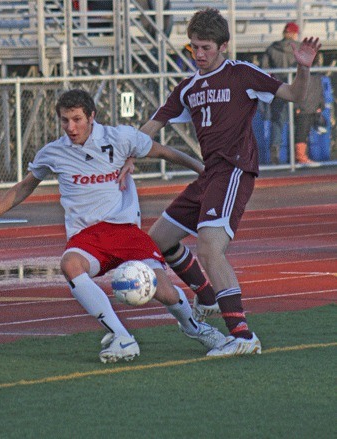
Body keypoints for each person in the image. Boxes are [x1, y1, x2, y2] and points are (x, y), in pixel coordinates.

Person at [0, 89, 226, 363]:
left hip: (125, 231)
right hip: (87, 237)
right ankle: (122, 336)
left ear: (92, 117)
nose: (71, 127)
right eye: (65, 120)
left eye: (77, 119)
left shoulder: (119, 138)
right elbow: (24, 186)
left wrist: (203, 171)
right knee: (70, 264)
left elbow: (165, 152)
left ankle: (195, 329)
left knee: (165, 292)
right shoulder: (54, 152)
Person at [132, 8, 320, 356]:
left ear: (223, 46)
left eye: (205, 47)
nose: (199, 54)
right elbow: (152, 126)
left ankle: (243, 336)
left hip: (234, 170)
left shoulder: (241, 74)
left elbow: (296, 96)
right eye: (194, 48)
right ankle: (206, 296)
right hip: (209, 175)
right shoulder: (187, 86)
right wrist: (129, 153)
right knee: (156, 241)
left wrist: (304, 68)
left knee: (209, 248)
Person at [261, 22, 300, 164]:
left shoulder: (272, 48)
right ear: (295, 33)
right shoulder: (300, 47)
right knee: (298, 121)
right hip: (296, 88)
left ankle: (276, 148)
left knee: (278, 121)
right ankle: (297, 154)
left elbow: (264, 68)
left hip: (278, 89)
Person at [294, 53, 325, 165]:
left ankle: (302, 157)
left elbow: (319, 90)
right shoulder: (303, 73)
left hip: (310, 106)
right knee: (302, 132)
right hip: (305, 107)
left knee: (305, 132)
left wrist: (321, 105)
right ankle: (300, 157)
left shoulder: (315, 74)